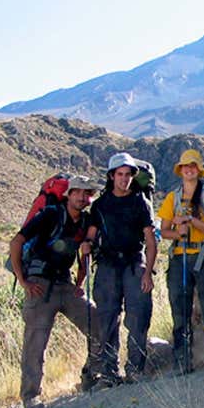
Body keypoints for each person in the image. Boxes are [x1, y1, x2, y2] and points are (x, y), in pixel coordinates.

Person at [9, 175, 101, 408]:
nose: (82, 197)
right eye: (77, 192)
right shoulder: (50, 214)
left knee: (98, 324)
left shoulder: (86, 221)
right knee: (35, 343)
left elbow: (84, 255)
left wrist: (79, 283)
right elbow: (17, 241)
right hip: (39, 285)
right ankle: (31, 396)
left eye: (86, 193)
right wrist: (23, 281)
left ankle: (91, 377)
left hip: (65, 284)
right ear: (68, 194)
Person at [82, 152, 157, 386]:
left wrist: (148, 272)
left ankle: (135, 369)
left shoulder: (140, 203)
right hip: (107, 265)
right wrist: (87, 245)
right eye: (120, 174)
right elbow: (91, 235)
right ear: (112, 176)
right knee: (106, 318)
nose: (124, 179)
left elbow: (150, 239)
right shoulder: (101, 205)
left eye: (128, 175)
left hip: (135, 262)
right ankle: (108, 372)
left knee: (138, 316)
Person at [157, 149, 204, 373]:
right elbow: (164, 231)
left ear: (199, 170)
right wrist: (179, 231)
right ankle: (182, 362)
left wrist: (192, 221)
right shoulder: (173, 197)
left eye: (192, 166)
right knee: (180, 311)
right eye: (185, 166)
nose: (188, 169)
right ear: (180, 170)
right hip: (180, 259)